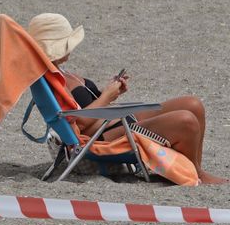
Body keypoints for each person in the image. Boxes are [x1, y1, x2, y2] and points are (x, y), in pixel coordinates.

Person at [29, 12, 226, 184]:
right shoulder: (53, 82)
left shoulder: (59, 73)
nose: (70, 48)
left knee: (193, 104)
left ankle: (194, 168)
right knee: (186, 121)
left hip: (116, 120)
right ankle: (195, 175)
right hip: (103, 136)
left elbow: (90, 106)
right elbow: (81, 123)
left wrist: (112, 92)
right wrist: (107, 96)